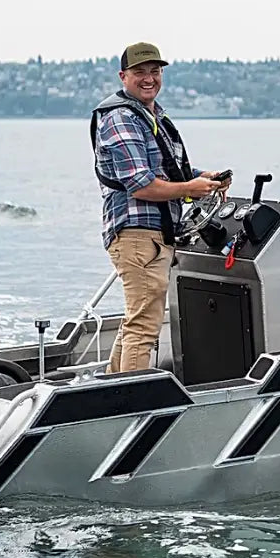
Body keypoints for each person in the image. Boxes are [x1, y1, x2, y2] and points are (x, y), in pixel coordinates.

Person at [89, 41, 230, 373]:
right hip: (139, 235)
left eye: (155, 71)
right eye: (140, 72)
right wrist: (189, 189)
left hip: (151, 234)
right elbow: (142, 185)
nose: (149, 78)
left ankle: (108, 393)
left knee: (135, 319)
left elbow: (167, 173)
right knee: (144, 327)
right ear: (123, 76)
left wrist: (203, 178)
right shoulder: (121, 118)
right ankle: (133, 406)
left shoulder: (150, 114)